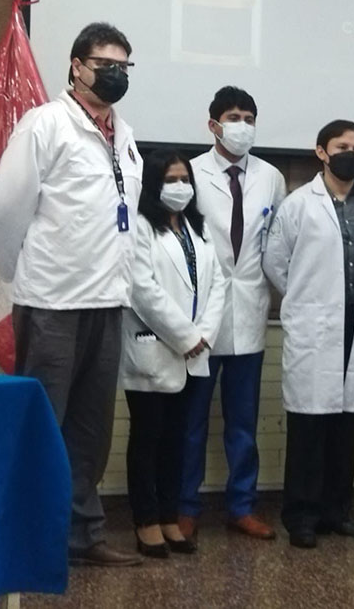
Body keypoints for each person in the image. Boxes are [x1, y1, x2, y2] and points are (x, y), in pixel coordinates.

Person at [0, 22, 143, 566]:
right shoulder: (45, 124)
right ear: (77, 66)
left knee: (91, 432)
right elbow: (7, 208)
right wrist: (18, 275)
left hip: (108, 300)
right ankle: (28, 542)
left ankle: (83, 536)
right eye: (105, 64)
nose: (115, 74)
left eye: (124, 66)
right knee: (43, 426)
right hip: (53, 303)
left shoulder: (125, 136)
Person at [263, 119, 354, 549]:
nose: (350, 153)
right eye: (341, 146)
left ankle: (337, 511)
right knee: (308, 429)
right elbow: (275, 261)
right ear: (321, 152)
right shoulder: (299, 203)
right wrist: (306, 300)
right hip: (314, 327)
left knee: (346, 427)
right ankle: (301, 515)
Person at [179, 86, 287, 541]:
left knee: (243, 422)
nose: (242, 125)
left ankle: (241, 505)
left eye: (249, 118)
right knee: (191, 422)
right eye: (233, 117)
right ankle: (185, 507)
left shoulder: (271, 177)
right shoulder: (190, 173)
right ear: (213, 125)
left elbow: (276, 245)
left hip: (250, 312)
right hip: (200, 316)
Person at [119, 149, 227, 558]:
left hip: (193, 352)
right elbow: (142, 289)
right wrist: (185, 336)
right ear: (153, 184)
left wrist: (204, 335)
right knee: (148, 438)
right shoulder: (139, 226)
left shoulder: (198, 226)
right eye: (171, 180)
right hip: (154, 347)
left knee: (177, 440)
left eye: (185, 180)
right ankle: (145, 521)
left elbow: (217, 284)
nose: (180, 187)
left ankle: (169, 517)